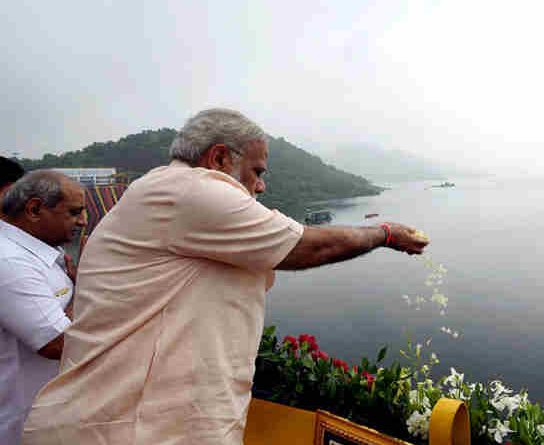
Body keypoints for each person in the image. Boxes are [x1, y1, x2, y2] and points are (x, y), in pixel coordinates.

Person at [23, 108, 429, 445]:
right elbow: (307, 246)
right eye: (256, 171)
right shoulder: (190, 190)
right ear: (218, 159)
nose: (262, 185)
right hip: (124, 429)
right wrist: (385, 233)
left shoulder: (163, 194)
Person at [0, 171, 86, 444]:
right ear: (35, 209)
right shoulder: (10, 262)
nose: (83, 221)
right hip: (21, 424)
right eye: (74, 212)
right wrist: (85, 288)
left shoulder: (46, 250)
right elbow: (58, 343)